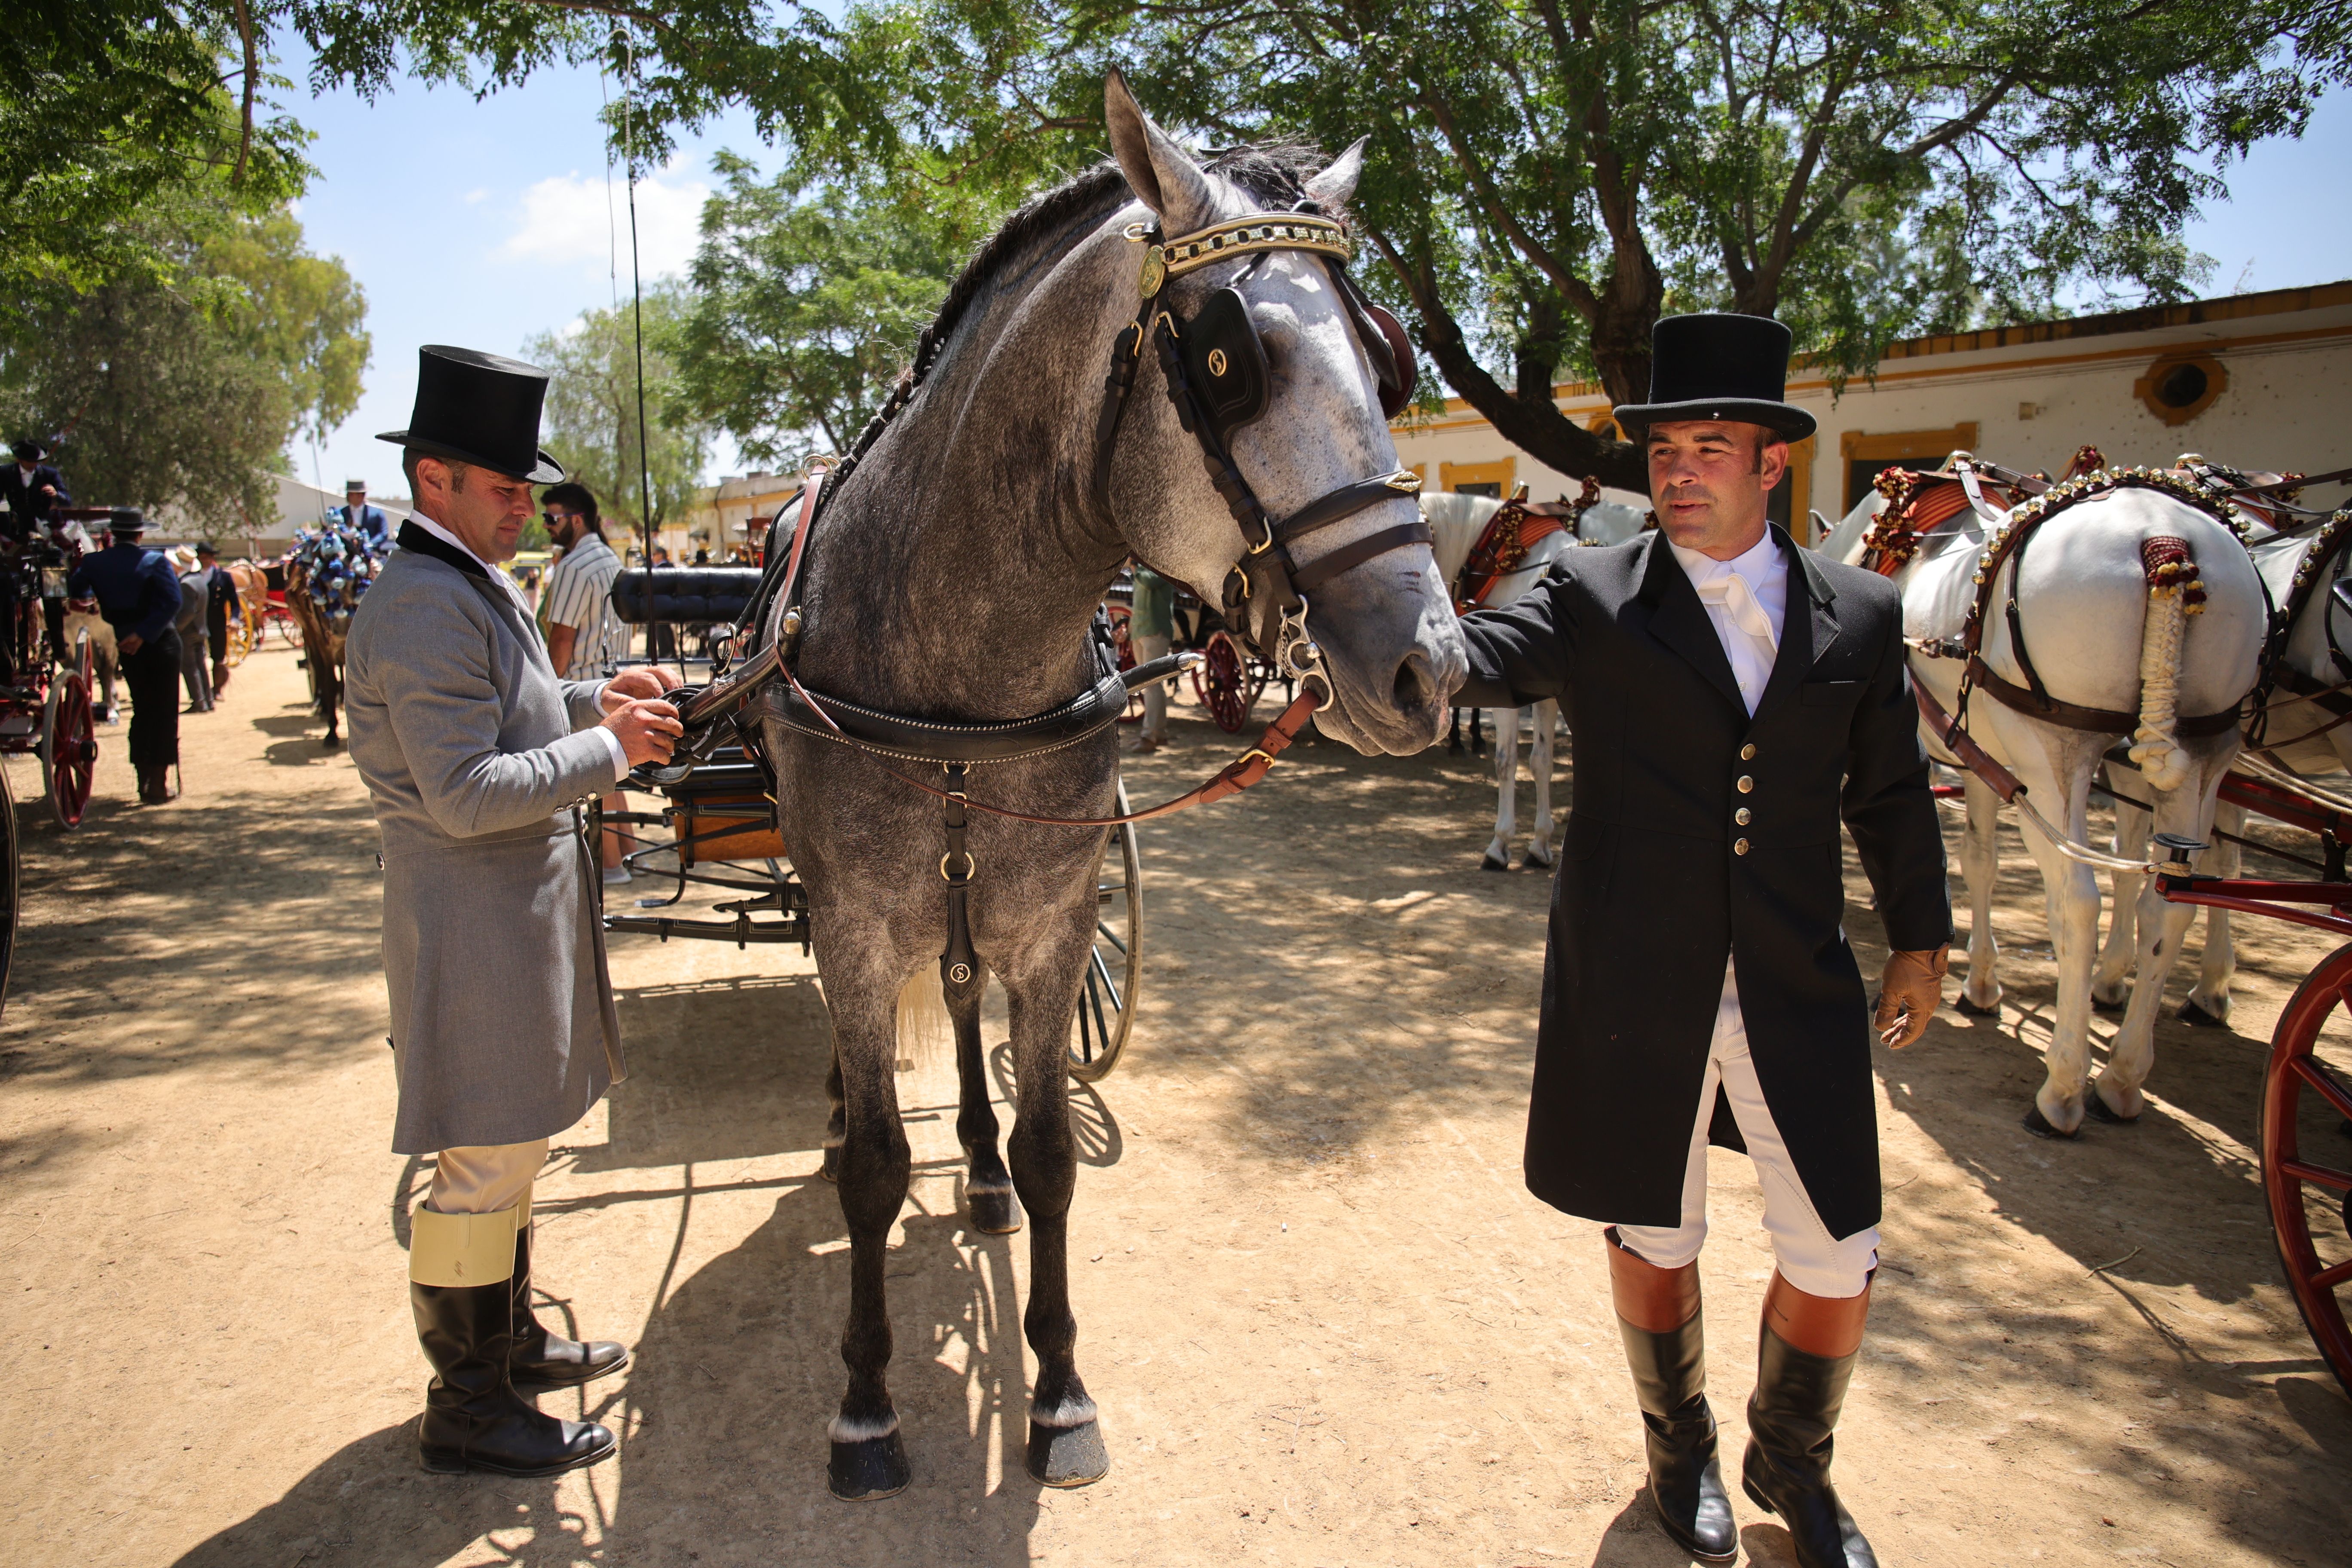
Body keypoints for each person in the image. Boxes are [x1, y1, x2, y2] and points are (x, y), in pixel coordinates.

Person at [1450, 313, 1950, 1568]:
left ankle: (1794, 1455)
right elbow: (1484, 659)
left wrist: (1918, 938)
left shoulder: (1860, 612)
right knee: (1655, 1229)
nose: (1677, 473)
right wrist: (1378, 637)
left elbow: (1890, 791)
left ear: (1772, 462)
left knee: (1837, 1247)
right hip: (1634, 982)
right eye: (1664, 451)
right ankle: (1679, 1449)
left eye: (1708, 449)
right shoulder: (1592, 590)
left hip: (1793, 980)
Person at [346, 344, 684, 1479]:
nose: (523, 510)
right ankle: (468, 1406)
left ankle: (509, 1346)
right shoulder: (425, 606)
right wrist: (611, 749)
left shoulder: (463, 582)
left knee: (512, 1147)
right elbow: (465, 790)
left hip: (505, 917)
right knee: (484, 1163)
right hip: (472, 926)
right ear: (432, 479)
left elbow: (517, 709)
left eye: (528, 492)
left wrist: (599, 698)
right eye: (504, 489)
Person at [538, 482, 634, 884]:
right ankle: (626, 853)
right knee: (613, 772)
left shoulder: (574, 566)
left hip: (584, 684)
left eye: (551, 517)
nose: (546, 525)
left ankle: (610, 865)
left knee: (597, 777)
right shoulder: (609, 558)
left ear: (576, 520)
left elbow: (562, 637)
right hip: (613, 680)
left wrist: (547, 688)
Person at [68, 508, 184, 803]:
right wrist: (144, 633)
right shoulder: (155, 560)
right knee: (164, 712)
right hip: (160, 641)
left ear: (112, 534)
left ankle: (143, 779)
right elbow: (173, 600)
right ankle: (159, 785)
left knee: (142, 709)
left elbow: (76, 589)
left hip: (126, 643)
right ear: (140, 534)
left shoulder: (94, 562)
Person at [0, 438, 71, 689]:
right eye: (30, 461)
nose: (34, 465)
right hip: (15, 533)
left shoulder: (49, 475)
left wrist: (56, 494)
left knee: (53, 579)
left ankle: (58, 640)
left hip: (44, 534)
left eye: (36, 461)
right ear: (20, 460)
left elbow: (67, 500)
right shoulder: (5, 473)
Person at [1129, 566, 1174, 752]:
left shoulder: (1159, 566)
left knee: (1152, 686)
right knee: (1152, 686)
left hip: (1155, 630)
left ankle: (1149, 737)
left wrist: (1134, 567)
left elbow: (1150, 581)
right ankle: (1159, 734)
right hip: (1141, 631)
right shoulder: (1140, 569)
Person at [194, 541, 241, 693]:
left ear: (212, 558)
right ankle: (202, 690)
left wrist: (234, 620)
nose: (204, 560)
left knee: (218, 656)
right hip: (197, 621)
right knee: (197, 656)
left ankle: (218, 689)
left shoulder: (224, 577)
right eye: (201, 557)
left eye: (207, 557)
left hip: (217, 620)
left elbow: (234, 602)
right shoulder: (192, 577)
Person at [171, 547, 214, 712]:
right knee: (200, 666)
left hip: (189, 631)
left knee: (190, 667)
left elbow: (189, 612)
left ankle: (199, 702)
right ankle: (208, 700)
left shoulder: (186, 584)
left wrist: (177, 628)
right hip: (200, 629)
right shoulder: (199, 580)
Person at [334, 478, 392, 555]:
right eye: (348, 493)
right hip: (347, 554)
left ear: (361, 496)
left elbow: (384, 533)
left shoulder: (376, 513)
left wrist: (369, 545)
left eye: (351, 494)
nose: (347, 496)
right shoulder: (340, 513)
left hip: (371, 554)